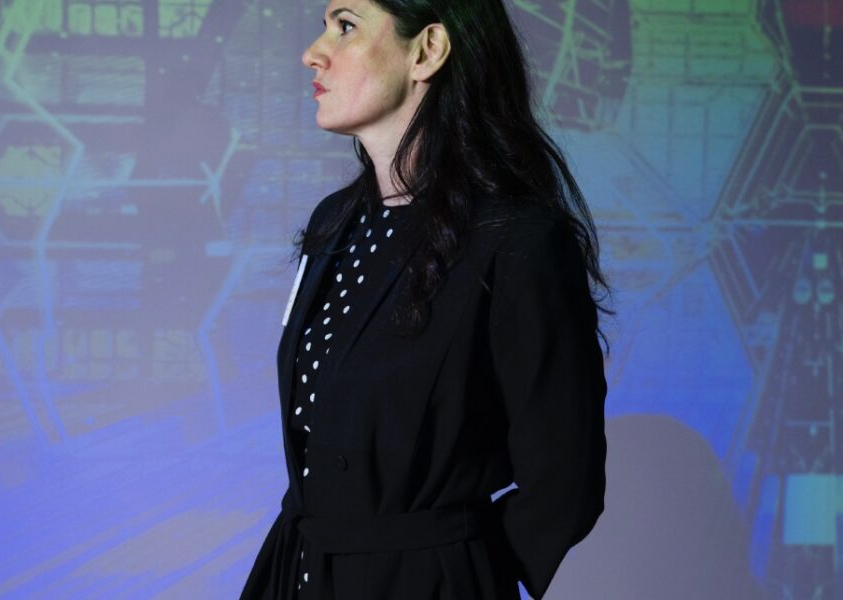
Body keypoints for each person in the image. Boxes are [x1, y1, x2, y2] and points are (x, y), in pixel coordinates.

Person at [240, 0, 613, 598]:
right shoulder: (334, 222)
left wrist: (459, 568)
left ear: (428, 50)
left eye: (346, 25)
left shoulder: (518, 239)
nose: (313, 52)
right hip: (298, 575)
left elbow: (565, 481)